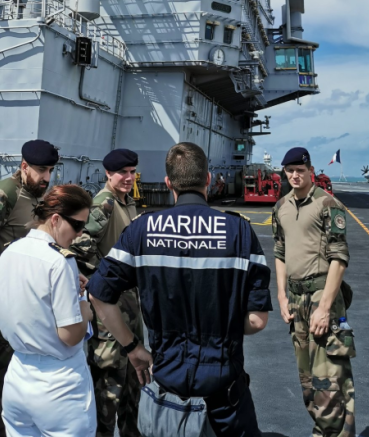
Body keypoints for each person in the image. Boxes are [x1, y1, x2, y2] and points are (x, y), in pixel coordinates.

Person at [87, 142, 271, 437]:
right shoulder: (239, 232)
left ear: (168, 183)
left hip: (165, 393)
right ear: (208, 180)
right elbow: (257, 321)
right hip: (225, 398)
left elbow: (98, 294)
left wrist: (133, 348)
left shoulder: (142, 229)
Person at [0, 139, 59, 437]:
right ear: (24, 167)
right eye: (41, 170)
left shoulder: (37, 197)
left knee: (22, 383)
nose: (46, 177)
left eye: (51, 171)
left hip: (30, 308)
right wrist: (3, 278)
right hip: (2, 310)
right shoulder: (6, 194)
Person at [0, 185, 96, 437]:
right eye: (77, 225)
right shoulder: (61, 261)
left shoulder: (10, 251)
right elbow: (70, 335)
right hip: (59, 384)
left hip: (17, 375)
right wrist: (85, 308)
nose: (80, 234)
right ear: (56, 219)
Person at [272, 146, 355, 437]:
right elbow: (280, 252)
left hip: (322, 297)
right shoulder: (281, 206)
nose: (295, 176)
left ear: (311, 171)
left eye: (301, 171)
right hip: (295, 300)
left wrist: (324, 307)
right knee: (308, 381)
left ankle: (330, 433)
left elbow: (339, 258)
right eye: (290, 171)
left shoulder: (326, 204)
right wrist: (281, 296)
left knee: (329, 380)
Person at [71, 148, 142, 437]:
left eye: (132, 172)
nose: (128, 177)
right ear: (108, 174)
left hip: (128, 303)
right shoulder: (105, 204)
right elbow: (79, 246)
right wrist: (103, 279)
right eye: (122, 173)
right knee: (109, 383)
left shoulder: (126, 202)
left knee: (132, 381)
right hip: (109, 306)